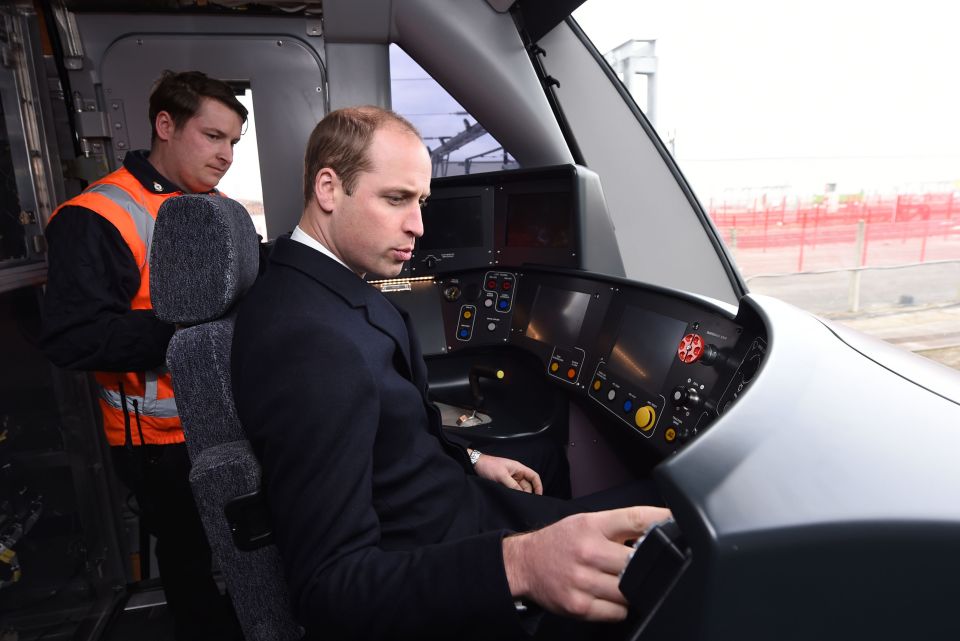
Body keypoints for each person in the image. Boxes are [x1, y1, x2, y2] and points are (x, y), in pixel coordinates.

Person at [231, 106, 671, 641]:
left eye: (421, 202)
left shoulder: (316, 286)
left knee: (644, 498)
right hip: (452, 561)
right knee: (677, 523)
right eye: (396, 199)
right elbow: (328, 588)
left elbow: (388, 434)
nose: (417, 225)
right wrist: (523, 566)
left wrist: (473, 457)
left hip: (454, 506)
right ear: (328, 188)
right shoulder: (307, 341)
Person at [41, 70, 247, 640]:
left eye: (233, 142)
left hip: (230, 420)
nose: (226, 155)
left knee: (247, 552)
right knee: (189, 565)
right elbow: (72, 336)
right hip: (160, 442)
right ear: (165, 125)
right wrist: (187, 329)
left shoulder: (217, 208)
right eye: (213, 137)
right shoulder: (97, 216)